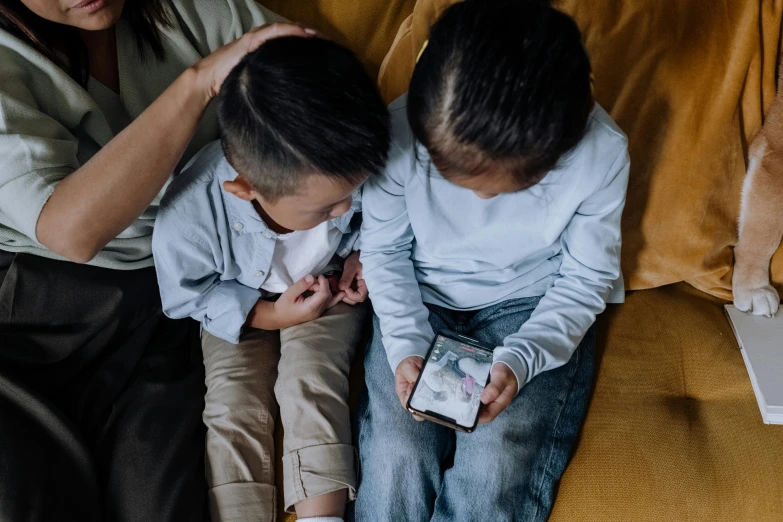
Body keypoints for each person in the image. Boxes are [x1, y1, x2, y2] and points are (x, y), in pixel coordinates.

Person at [0, 0, 313, 520]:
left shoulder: (189, 10)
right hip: (29, 315)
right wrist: (197, 84)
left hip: (163, 304)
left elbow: (325, 94)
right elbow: (72, 232)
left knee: (161, 506)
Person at [350, 1, 630, 521]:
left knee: (496, 468)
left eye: (513, 188)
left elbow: (586, 277)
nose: (479, 205)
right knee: (396, 455)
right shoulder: (398, 133)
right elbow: (385, 250)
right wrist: (407, 343)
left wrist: (521, 360)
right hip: (421, 297)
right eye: (456, 180)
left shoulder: (601, 153)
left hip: (534, 303)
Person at [152, 36, 390, 522]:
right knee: (231, 405)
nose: (345, 210)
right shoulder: (189, 215)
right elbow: (186, 297)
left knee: (310, 379)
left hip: (327, 286)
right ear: (247, 190)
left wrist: (362, 255)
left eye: (352, 194)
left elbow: (378, 219)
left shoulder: (348, 168)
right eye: (326, 208)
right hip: (238, 306)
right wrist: (269, 315)